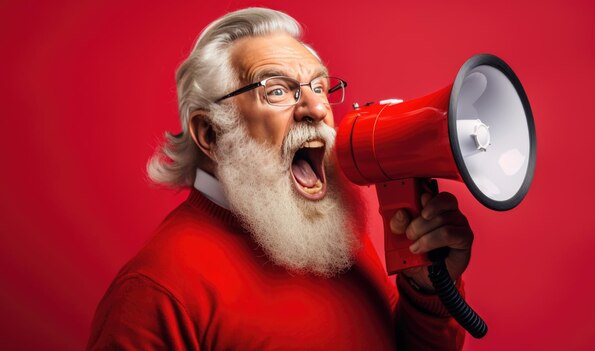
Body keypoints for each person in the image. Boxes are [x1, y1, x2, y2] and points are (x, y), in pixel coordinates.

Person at [87, 7, 474, 351]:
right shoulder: (159, 290)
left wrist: (427, 291)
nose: (317, 108)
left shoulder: (332, 233)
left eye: (320, 87)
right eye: (276, 91)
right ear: (210, 133)